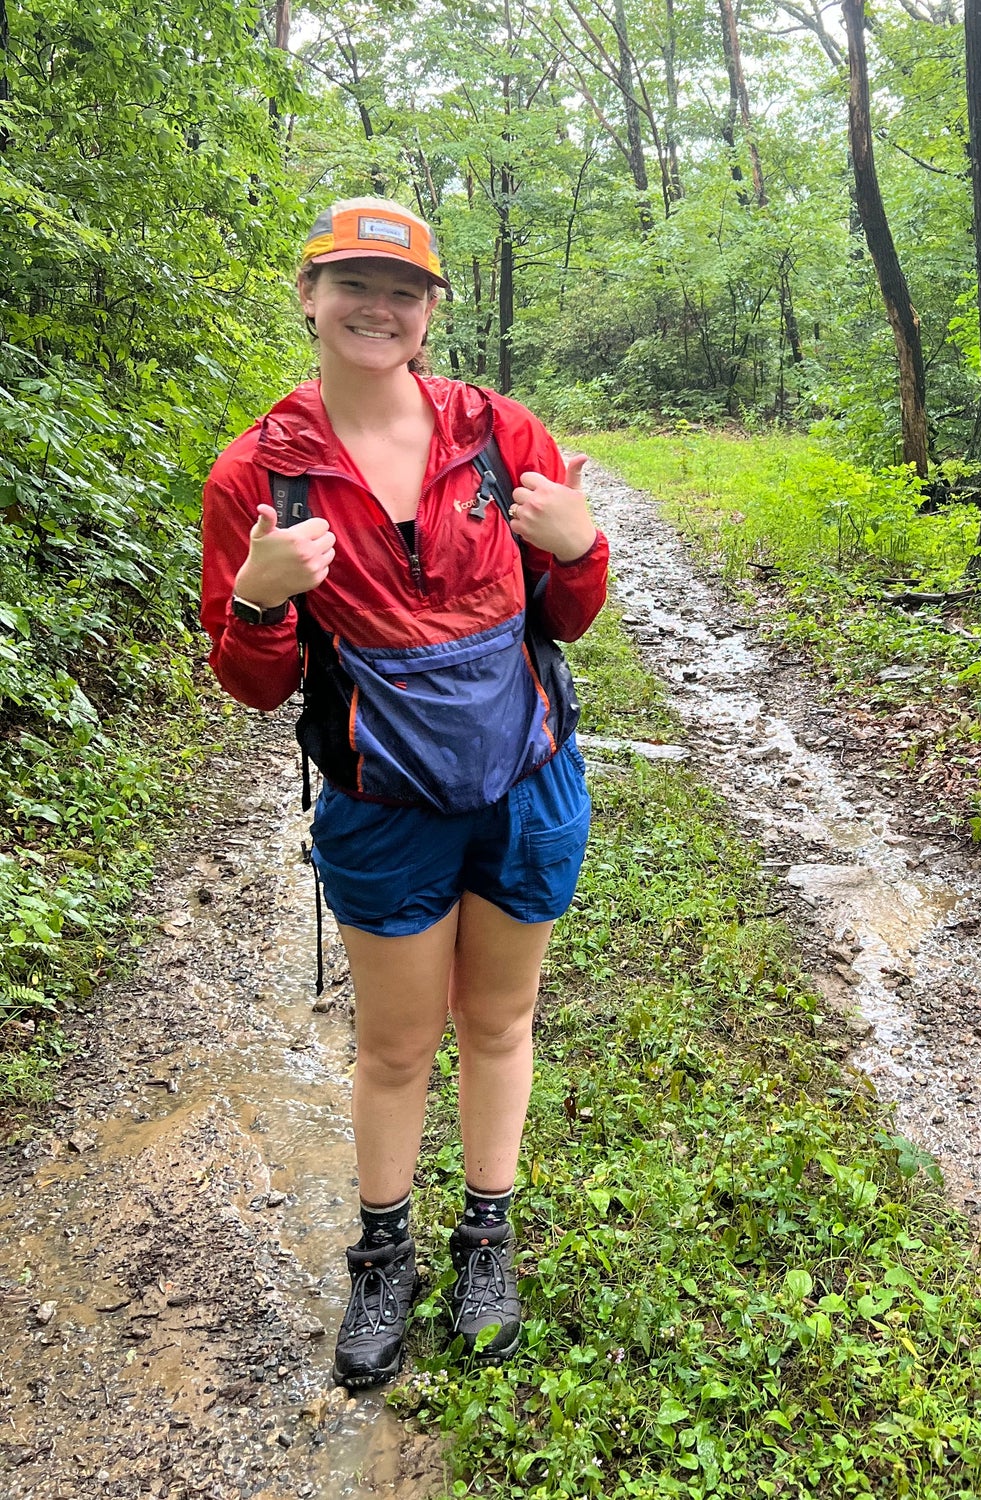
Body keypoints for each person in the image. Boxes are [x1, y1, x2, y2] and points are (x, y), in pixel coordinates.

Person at [199, 197, 608, 1389]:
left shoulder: (500, 435)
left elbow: (568, 615)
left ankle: (488, 1239)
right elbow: (252, 682)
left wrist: (580, 546)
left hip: (526, 783)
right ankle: (382, 1256)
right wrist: (262, 598)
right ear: (309, 295)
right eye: (354, 285)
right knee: (393, 1045)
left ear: (431, 311)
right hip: (381, 807)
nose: (377, 309)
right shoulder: (259, 474)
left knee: (501, 1024)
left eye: (403, 291)